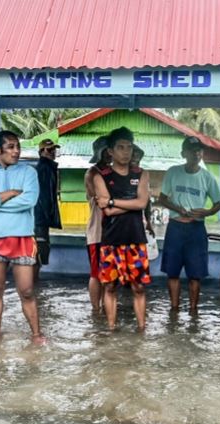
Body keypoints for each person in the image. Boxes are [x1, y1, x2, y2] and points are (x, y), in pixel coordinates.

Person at [0, 131, 44, 345]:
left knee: (27, 290)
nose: (16, 151)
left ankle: (36, 335)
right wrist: (11, 193)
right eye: (11, 147)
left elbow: (29, 201)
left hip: (22, 238)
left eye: (17, 147)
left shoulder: (29, 172)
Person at [92, 127, 151, 330]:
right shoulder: (101, 175)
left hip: (136, 239)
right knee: (110, 286)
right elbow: (106, 211)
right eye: (121, 147)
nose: (126, 152)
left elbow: (142, 203)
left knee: (139, 288)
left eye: (129, 147)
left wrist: (112, 202)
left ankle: (142, 329)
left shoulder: (141, 174)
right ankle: (110, 328)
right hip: (111, 240)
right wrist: (130, 203)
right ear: (110, 151)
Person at [157, 136, 220, 312]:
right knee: (172, 272)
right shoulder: (173, 172)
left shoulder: (207, 177)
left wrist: (206, 212)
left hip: (196, 228)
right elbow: (162, 199)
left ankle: (193, 312)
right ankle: (174, 310)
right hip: (175, 227)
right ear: (183, 153)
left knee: (196, 275)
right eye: (192, 150)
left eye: (199, 150)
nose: (196, 153)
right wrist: (177, 208)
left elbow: (218, 204)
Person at [84, 135, 110, 312]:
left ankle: (101, 310)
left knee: (106, 275)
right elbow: (103, 200)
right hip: (98, 232)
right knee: (96, 273)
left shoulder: (108, 171)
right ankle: (95, 310)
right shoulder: (93, 173)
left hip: (110, 231)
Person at [33, 138, 62, 278]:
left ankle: (35, 291)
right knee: (37, 255)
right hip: (39, 219)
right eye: (49, 150)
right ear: (41, 152)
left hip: (41, 219)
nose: (52, 153)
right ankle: (33, 290)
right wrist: (45, 218)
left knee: (38, 255)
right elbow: (42, 197)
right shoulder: (44, 168)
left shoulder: (48, 167)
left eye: (54, 150)